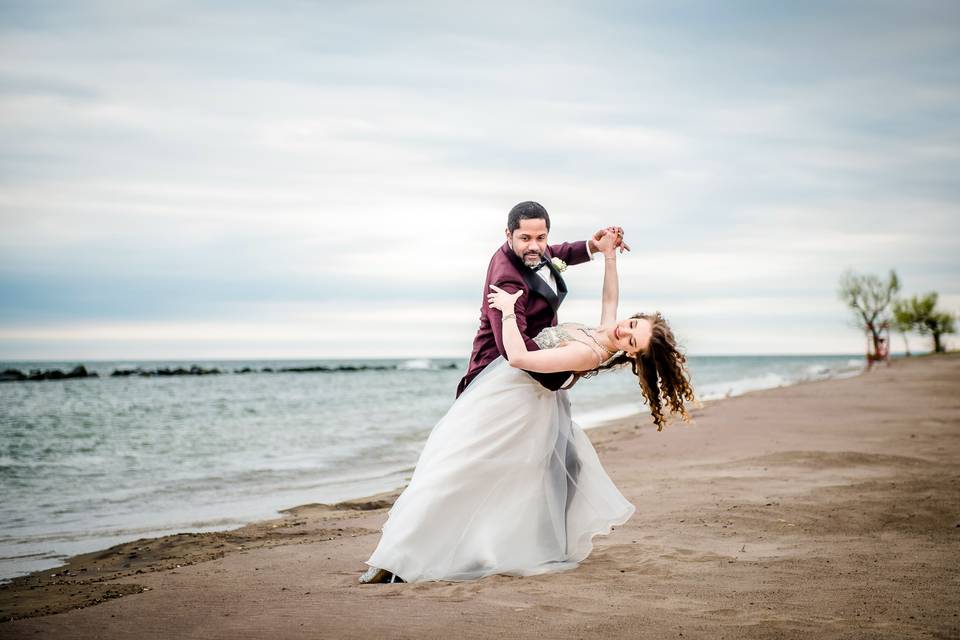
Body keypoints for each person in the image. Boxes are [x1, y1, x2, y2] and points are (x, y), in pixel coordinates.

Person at [359, 223, 694, 584]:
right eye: (631, 324)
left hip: (513, 403)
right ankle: (406, 554)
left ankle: (412, 557)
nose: (622, 331)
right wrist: (607, 252)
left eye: (632, 341)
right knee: (458, 467)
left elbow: (518, 359)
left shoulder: (589, 352)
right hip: (506, 393)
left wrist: (506, 309)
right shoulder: (604, 331)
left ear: (631, 355)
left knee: (460, 470)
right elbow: (610, 297)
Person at [456, 200, 630, 397]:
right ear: (508, 234)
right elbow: (512, 346)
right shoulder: (506, 282)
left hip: (538, 365)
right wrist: (562, 371)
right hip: (501, 375)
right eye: (525, 238)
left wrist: (594, 246)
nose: (534, 246)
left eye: (541, 237)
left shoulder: (532, 251)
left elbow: (555, 253)